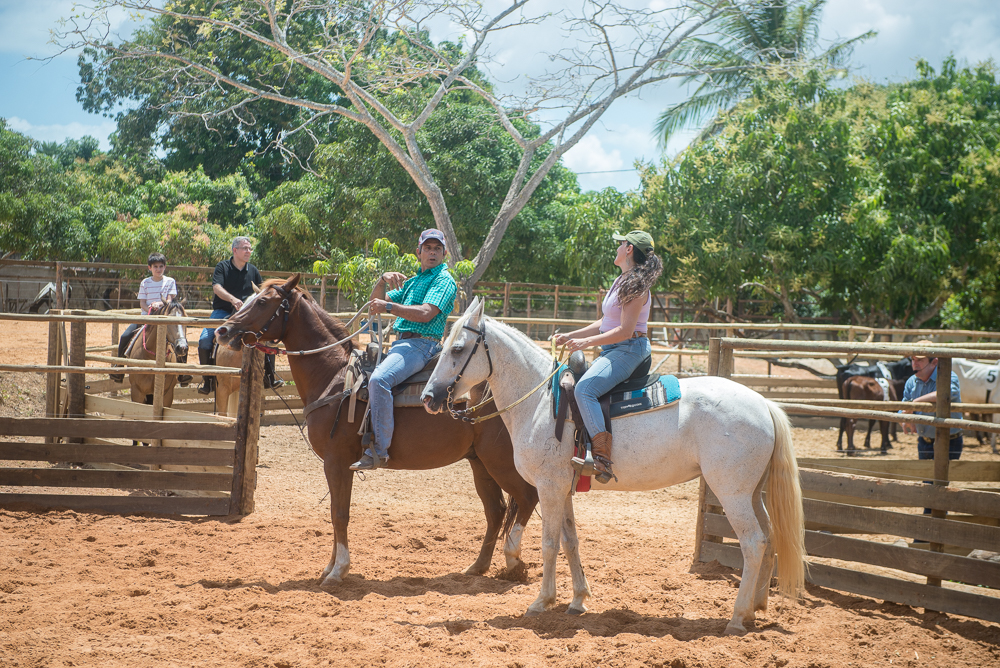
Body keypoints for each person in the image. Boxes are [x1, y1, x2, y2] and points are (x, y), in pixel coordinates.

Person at [553, 230, 663, 482]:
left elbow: (625, 330)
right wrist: (572, 335)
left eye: (621, 243)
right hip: (616, 349)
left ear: (629, 249)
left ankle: (602, 459)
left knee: (584, 390)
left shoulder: (636, 286)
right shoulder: (621, 280)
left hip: (629, 349)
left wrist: (585, 342)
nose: (617, 246)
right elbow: (606, 322)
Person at [349, 229, 458, 471]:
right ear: (418, 252)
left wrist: (389, 306)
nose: (432, 252)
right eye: (428, 248)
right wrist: (381, 281)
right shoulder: (414, 282)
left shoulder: (443, 280)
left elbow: (426, 313)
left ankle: (379, 451)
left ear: (444, 253)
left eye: (437, 249)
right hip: (402, 344)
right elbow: (373, 303)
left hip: (422, 344)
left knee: (379, 380)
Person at [197, 236, 283, 394]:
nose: (249, 251)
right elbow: (216, 287)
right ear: (234, 250)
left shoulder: (254, 271)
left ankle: (269, 377)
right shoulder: (222, 267)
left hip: (247, 314)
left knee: (268, 338)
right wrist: (232, 299)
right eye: (245, 248)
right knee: (204, 339)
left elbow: (261, 293)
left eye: (250, 249)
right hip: (223, 312)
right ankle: (207, 380)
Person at [900, 340, 963, 516]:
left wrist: (916, 403)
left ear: (934, 362)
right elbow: (903, 406)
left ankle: (926, 535)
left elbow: (947, 392)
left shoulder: (948, 376)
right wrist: (904, 417)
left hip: (949, 441)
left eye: (919, 360)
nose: (914, 364)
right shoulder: (912, 382)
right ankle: (934, 532)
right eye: (912, 359)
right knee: (930, 486)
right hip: (925, 441)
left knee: (938, 487)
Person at [110, 252, 178, 383]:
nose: (158, 269)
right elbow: (142, 303)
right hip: (145, 318)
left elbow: (169, 301)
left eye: (161, 266)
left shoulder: (170, 282)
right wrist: (150, 311)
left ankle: (182, 372)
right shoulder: (145, 283)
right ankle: (119, 368)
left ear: (165, 267)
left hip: (165, 319)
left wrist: (160, 304)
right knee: (125, 336)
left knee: (179, 340)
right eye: (155, 266)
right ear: (149, 268)